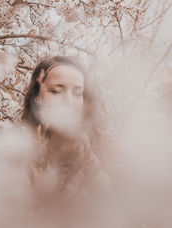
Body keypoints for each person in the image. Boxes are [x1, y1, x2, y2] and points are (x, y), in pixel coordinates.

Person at [21, 55, 120, 228]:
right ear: (37, 99)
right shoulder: (18, 155)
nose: (69, 101)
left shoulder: (85, 151)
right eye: (56, 91)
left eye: (77, 93)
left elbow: (112, 211)